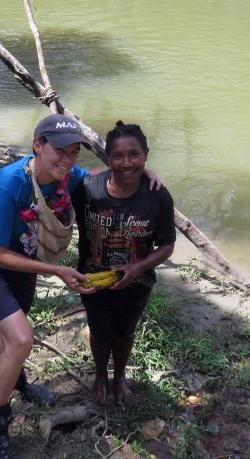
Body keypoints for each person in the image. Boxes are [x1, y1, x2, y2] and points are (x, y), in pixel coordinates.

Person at [0, 114, 162, 459]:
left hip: (22, 263)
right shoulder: (11, 183)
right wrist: (55, 269)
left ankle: (16, 383)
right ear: (37, 145)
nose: (67, 160)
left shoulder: (67, 176)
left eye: (73, 152)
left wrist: (140, 173)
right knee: (21, 336)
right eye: (59, 152)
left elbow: (99, 176)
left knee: (10, 334)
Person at [72, 121, 176, 405]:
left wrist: (138, 268)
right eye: (118, 155)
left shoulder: (158, 196)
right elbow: (52, 183)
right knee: (99, 330)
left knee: (125, 331)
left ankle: (119, 376)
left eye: (134, 155)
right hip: (93, 281)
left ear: (146, 154)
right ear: (108, 157)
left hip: (137, 283)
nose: (126, 162)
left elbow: (167, 244)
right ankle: (100, 376)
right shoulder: (87, 189)